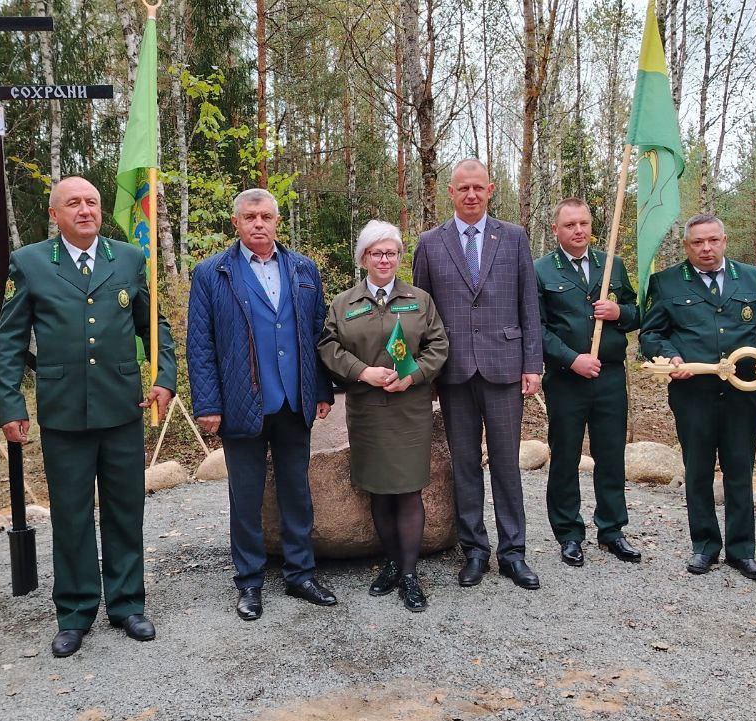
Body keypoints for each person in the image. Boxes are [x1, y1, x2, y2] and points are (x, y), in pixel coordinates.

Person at [0, 176, 177, 657]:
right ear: (54, 214)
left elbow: (151, 324)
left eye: (92, 202)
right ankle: (74, 613)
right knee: (71, 516)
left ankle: (128, 604)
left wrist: (164, 376)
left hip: (123, 408)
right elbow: (11, 340)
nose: (85, 209)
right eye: (73, 203)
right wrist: (10, 402)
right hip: (63, 412)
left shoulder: (130, 259)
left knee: (125, 510)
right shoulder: (31, 263)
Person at [188, 188, 337, 621]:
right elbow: (200, 346)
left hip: (294, 401)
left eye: (266, 216)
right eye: (250, 217)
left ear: (276, 221)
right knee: (246, 495)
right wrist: (208, 403)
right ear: (235, 223)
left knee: (297, 491)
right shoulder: (211, 273)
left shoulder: (303, 269)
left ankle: (300, 573)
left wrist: (322, 390)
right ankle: (249, 582)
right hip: (240, 403)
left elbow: (317, 335)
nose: (259, 224)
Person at [412, 158, 544, 590]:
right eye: (462, 188)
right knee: (465, 465)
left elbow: (529, 306)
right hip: (453, 372)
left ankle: (513, 552)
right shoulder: (431, 243)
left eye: (478, 188)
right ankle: (474, 551)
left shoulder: (515, 238)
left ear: (490, 190)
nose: (471, 195)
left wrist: (532, 364)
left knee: (506, 464)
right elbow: (421, 315)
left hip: (505, 368)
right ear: (450, 192)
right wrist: (426, 372)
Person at [639, 213, 756, 581]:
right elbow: (651, 334)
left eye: (713, 240)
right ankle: (704, 546)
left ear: (724, 240)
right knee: (698, 471)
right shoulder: (666, 282)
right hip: (693, 393)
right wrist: (671, 357)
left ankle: (742, 551)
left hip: (742, 393)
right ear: (687, 246)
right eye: (698, 242)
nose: (706, 248)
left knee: (740, 469)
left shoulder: (752, 277)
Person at [318, 220, 449, 612]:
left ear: (399, 257)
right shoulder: (344, 304)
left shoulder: (419, 300)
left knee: (409, 490)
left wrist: (412, 376)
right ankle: (392, 563)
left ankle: (409, 575)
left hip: (409, 409)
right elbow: (327, 346)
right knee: (378, 491)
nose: (384, 259)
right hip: (368, 408)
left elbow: (438, 345)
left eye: (391, 252)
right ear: (363, 258)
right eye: (376, 252)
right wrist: (362, 371)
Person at [534, 198, 642, 568]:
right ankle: (568, 534)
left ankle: (612, 529)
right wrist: (571, 359)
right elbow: (538, 329)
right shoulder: (542, 270)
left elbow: (638, 313)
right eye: (569, 225)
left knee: (610, 456)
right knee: (564, 456)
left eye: (583, 223)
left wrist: (619, 312)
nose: (578, 230)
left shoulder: (611, 262)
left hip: (609, 375)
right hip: (566, 378)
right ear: (556, 230)